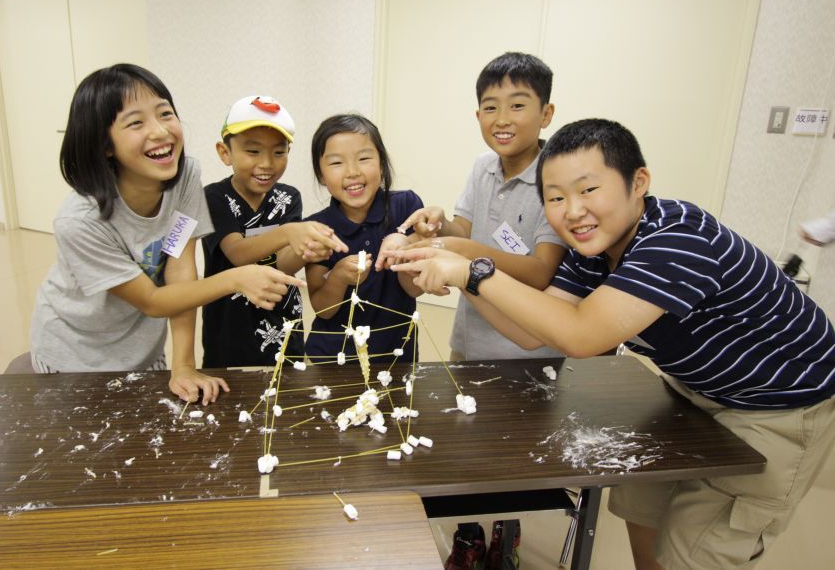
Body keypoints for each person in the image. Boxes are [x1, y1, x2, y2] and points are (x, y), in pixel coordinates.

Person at [393, 118, 835, 570]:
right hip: (693, 388)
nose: (573, 211)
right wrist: (459, 277)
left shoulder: (678, 238)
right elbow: (533, 330)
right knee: (641, 500)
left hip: (778, 403)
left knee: (697, 551)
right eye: (556, 198)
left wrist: (470, 270)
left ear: (638, 181)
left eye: (588, 190)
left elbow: (582, 335)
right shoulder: (592, 252)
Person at [30, 64, 302, 406]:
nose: (160, 132)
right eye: (136, 122)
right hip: (74, 355)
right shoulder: (80, 221)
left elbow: (178, 268)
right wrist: (235, 279)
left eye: (165, 114)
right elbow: (152, 300)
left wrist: (184, 365)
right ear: (103, 144)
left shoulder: (185, 177)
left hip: (143, 347)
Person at [389, 52, 566, 361]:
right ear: (477, 116)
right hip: (469, 340)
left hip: (530, 351)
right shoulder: (483, 166)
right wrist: (440, 223)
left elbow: (540, 272)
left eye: (517, 105)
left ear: (546, 114)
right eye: (490, 107)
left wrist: (463, 251)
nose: (502, 119)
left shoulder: (558, 178)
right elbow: (463, 231)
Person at [201, 95, 347, 368]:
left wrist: (306, 250)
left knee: (284, 394)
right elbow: (237, 253)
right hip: (230, 327)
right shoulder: (214, 198)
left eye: (279, 152)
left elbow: (284, 265)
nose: (267, 163)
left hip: (282, 324)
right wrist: (289, 232)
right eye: (253, 152)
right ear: (225, 153)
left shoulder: (289, 197)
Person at [304, 114, 424, 364]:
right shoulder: (317, 228)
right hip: (332, 358)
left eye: (364, 158)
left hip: (395, 356)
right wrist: (337, 277)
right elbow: (323, 309)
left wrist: (404, 251)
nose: (353, 172)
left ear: (381, 164)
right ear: (321, 175)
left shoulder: (406, 207)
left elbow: (415, 287)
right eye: (337, 163)